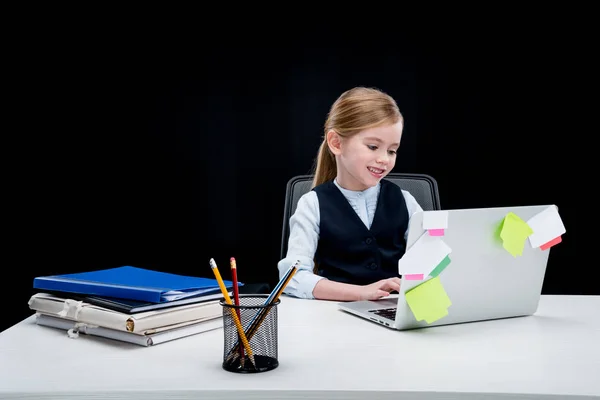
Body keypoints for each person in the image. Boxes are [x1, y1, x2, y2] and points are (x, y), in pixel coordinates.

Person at [277, 86, 423, 302]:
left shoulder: (406, 201)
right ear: (336, 143)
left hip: (394, 312)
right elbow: (291, 279)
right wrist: (361, 292)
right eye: (373, 146)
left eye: (392, 151)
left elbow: (432, 260)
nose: (384, 159)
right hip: (333, 316)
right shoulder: (312, 204)